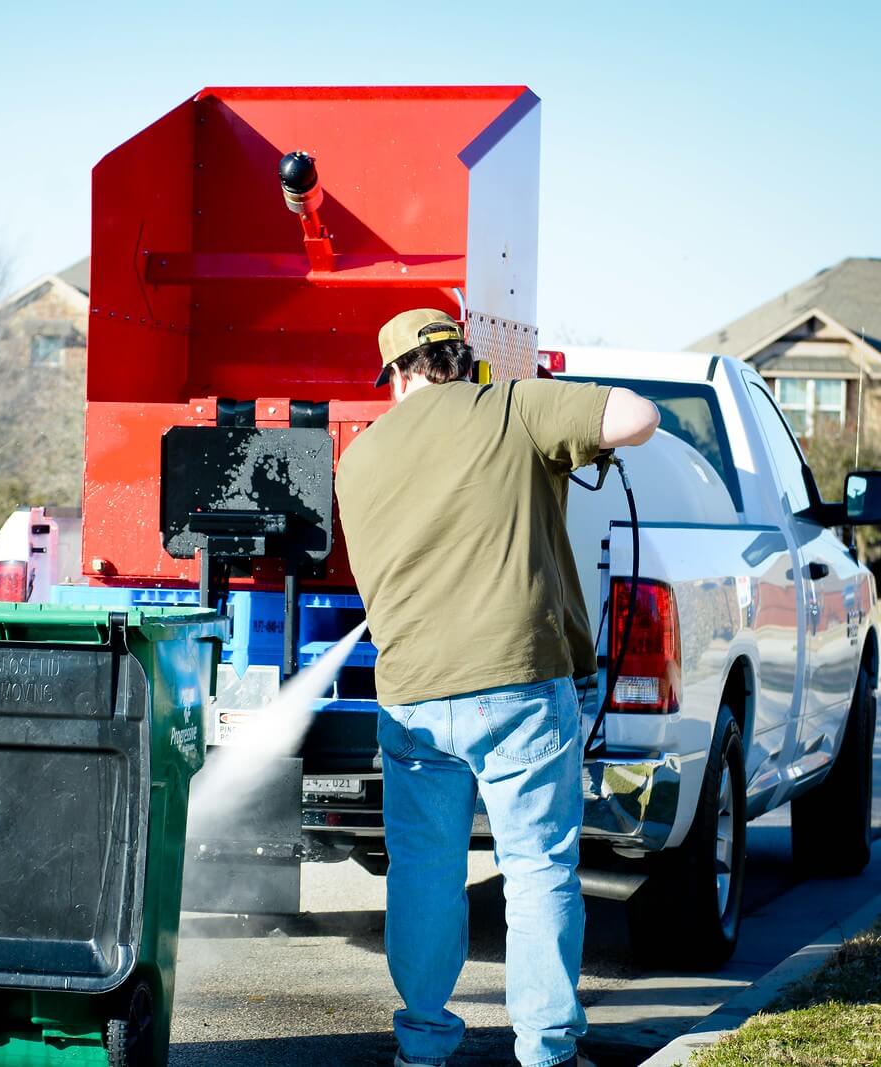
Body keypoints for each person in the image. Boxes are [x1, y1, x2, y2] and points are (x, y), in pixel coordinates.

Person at [334, 309, 660, 1067]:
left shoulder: (360, 458)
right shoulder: (515, 405)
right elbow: (637, 417)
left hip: (411, 694)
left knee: (423, 874)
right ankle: (545, 1050)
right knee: (539, 868)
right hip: (517, 685)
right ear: (461, 360)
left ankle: (421, 1045)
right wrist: (555, 413)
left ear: (398, 378)